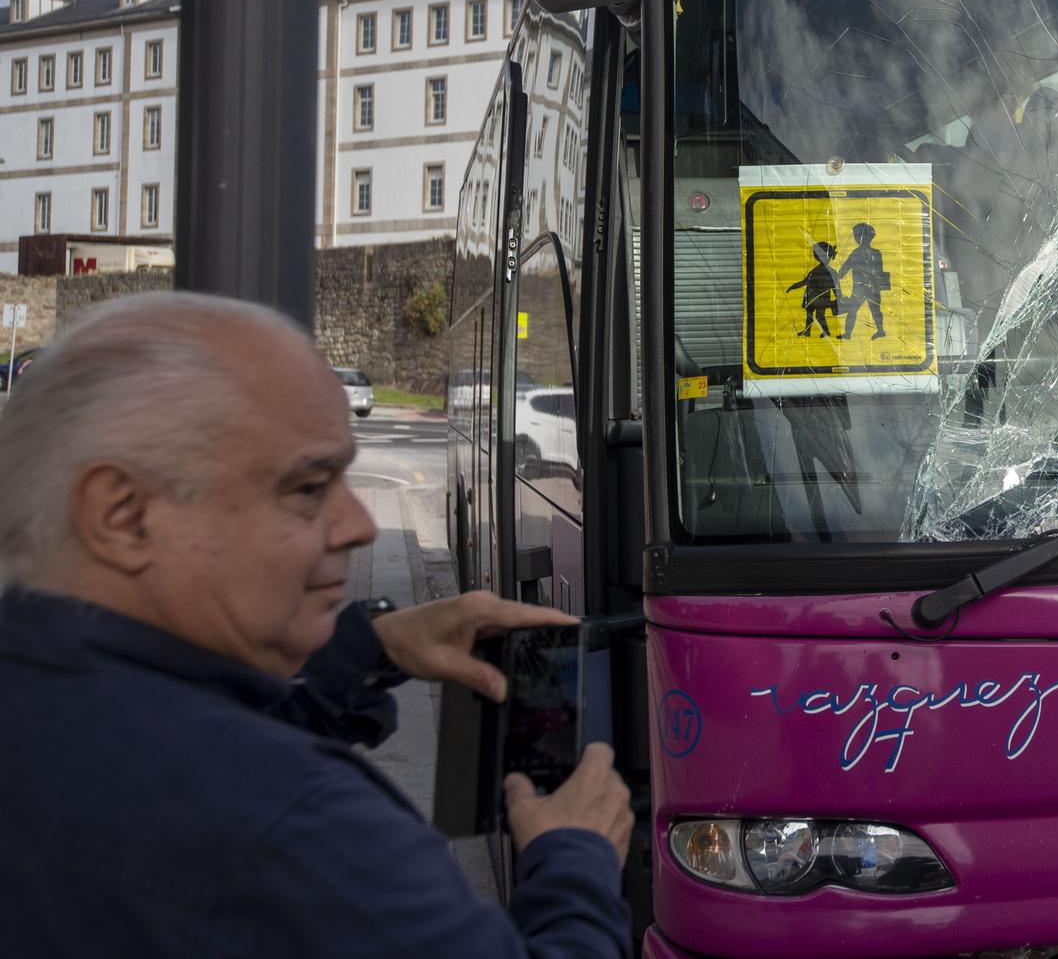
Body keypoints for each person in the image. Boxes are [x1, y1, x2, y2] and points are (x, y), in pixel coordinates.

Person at [0, 292, 632, 958]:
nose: (360, 523)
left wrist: (366, 647)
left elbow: (147, 761)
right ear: (123, 513)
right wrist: (575, 863)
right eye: (307, 487)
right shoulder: (305, 831)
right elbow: (217, 791)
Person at [837, 222, 888, 340]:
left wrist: (838, 275)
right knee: (867, 310)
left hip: (864, 289)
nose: (855, 238)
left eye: (857, 235)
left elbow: (845, 268)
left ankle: (878, 331)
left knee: (861, 310)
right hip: (867, 289)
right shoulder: (875, 253)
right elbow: (845, 268)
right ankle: (850, 333)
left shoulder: (857, 253)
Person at [787, 240, 841, 338]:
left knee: (818, 316)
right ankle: (808, 331)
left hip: (820, 298)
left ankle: (825, 331)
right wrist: (793, 286)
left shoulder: (821, 272)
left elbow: (835, 286)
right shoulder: (822, 271)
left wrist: (838, 297)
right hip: (813, 298)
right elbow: (805, 282)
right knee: (810, 315)